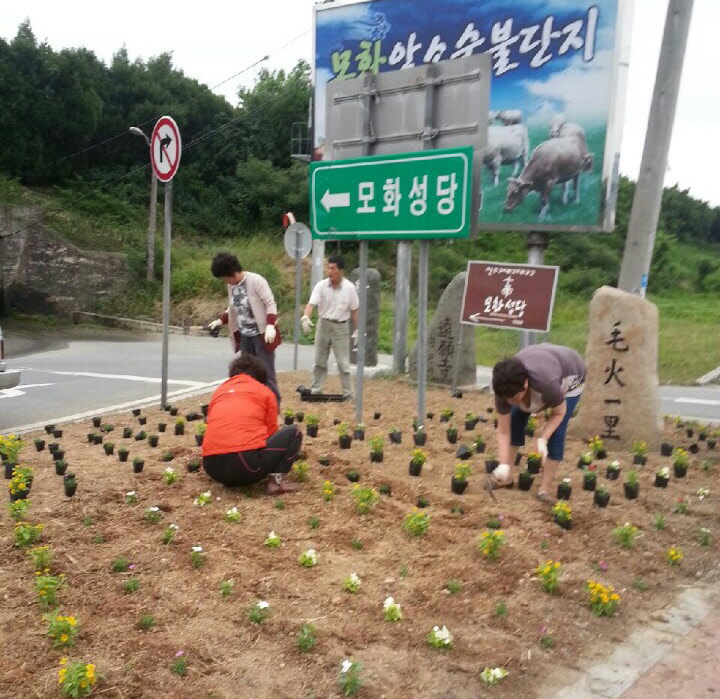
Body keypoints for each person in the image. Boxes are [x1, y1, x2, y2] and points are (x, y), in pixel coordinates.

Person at [487, 343, 586, 503]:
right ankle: (506, 478)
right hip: (542, 359)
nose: (510, 401)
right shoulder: (504, 388)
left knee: (557, 432)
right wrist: (503, 464)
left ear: (525, 386)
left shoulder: (547, 385)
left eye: (514, 397)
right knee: (515, 419)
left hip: (571, 374)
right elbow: (504, 431)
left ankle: (544, 490)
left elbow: (558, 413)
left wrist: (543, 438)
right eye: (507, 398)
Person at [202, 354, 302, 494]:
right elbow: (272, 432)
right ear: (260, 378)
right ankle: (276, 482)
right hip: (245, 465)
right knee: (294, 432)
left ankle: (234, 478)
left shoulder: (220, 391)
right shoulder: (265, 392)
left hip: (212, 468)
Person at [208, 252, 281, 405]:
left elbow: (270, 304)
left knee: (267, 374)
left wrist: (270, 325)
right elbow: (234, 308)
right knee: (246, 375)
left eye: (223, 277)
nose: (224, 281)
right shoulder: (232, 286)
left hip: (261, 336)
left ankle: (274, 409)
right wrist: (220, 321)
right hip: (245, 337)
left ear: (231, 273)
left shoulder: (256, 281)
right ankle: (251, 406)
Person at [301, 255, 359, 399]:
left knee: (343, 362)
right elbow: (311, 304)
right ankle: (316, 389)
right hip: (324, 324)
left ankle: (348, 392)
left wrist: (357, 331)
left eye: (333, 268)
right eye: (329, 268)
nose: (330, 271)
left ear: (340, 270)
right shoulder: (321, 286)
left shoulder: (349, 288)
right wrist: (306, 317)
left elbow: (354, 310)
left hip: (341, 327)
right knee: (320, 359)